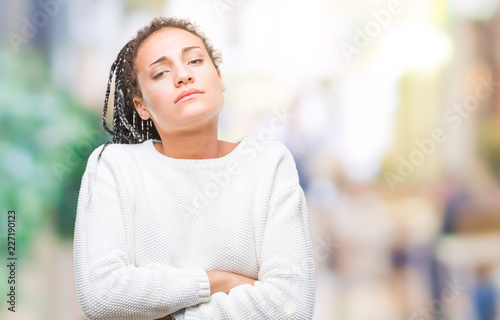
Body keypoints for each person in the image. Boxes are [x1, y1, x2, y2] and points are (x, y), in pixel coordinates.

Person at [72, 16, 316, 320]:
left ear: (219, 78)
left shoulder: (269, 165)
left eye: (195, 61)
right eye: (161, 72)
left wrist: (163, 313)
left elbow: (291, 308)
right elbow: (101, 295)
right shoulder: (114, 167)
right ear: (142, 106)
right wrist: (215, 282)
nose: (183, 75)